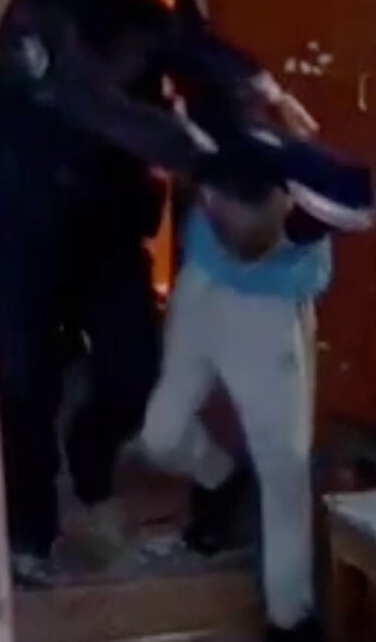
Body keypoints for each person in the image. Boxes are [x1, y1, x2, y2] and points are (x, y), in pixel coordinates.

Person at [0, 0, 358, 586]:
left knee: (132, 369)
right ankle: (30, 532)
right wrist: (197, 156)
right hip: (27, 222)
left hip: (107, 222)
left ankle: (90, 459)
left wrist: (262, 86)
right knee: (23, 381)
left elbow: (195, 48)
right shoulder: (34, 17)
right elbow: (96, 105)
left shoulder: (141, 13)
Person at [139, 111, 363, 642]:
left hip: (267, 313)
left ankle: (291, 618)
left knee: (283, 469)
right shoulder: (210, 152)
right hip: (201, 290)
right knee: (161, 434)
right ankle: (222, 480)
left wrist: (309, 223)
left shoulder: (310, 183)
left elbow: (358, 199)